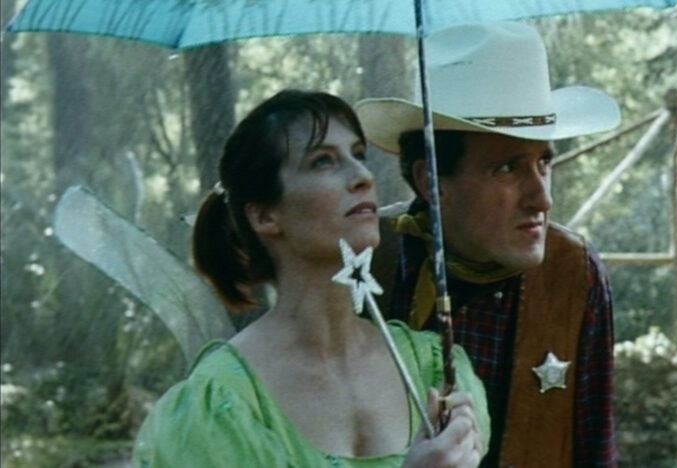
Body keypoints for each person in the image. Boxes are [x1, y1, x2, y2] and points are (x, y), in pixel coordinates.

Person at [132, 90, 489, 468]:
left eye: (359, 155)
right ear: (264, 216)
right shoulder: (222, 405)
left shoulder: (433, 368)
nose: (363, 176)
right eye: (323, 161)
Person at [357, 22, 620, 467]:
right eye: (507, 169)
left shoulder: (573, 274)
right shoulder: (367, 262)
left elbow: (596, 453)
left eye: (544, 163)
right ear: (432, 181)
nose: (542, 199)